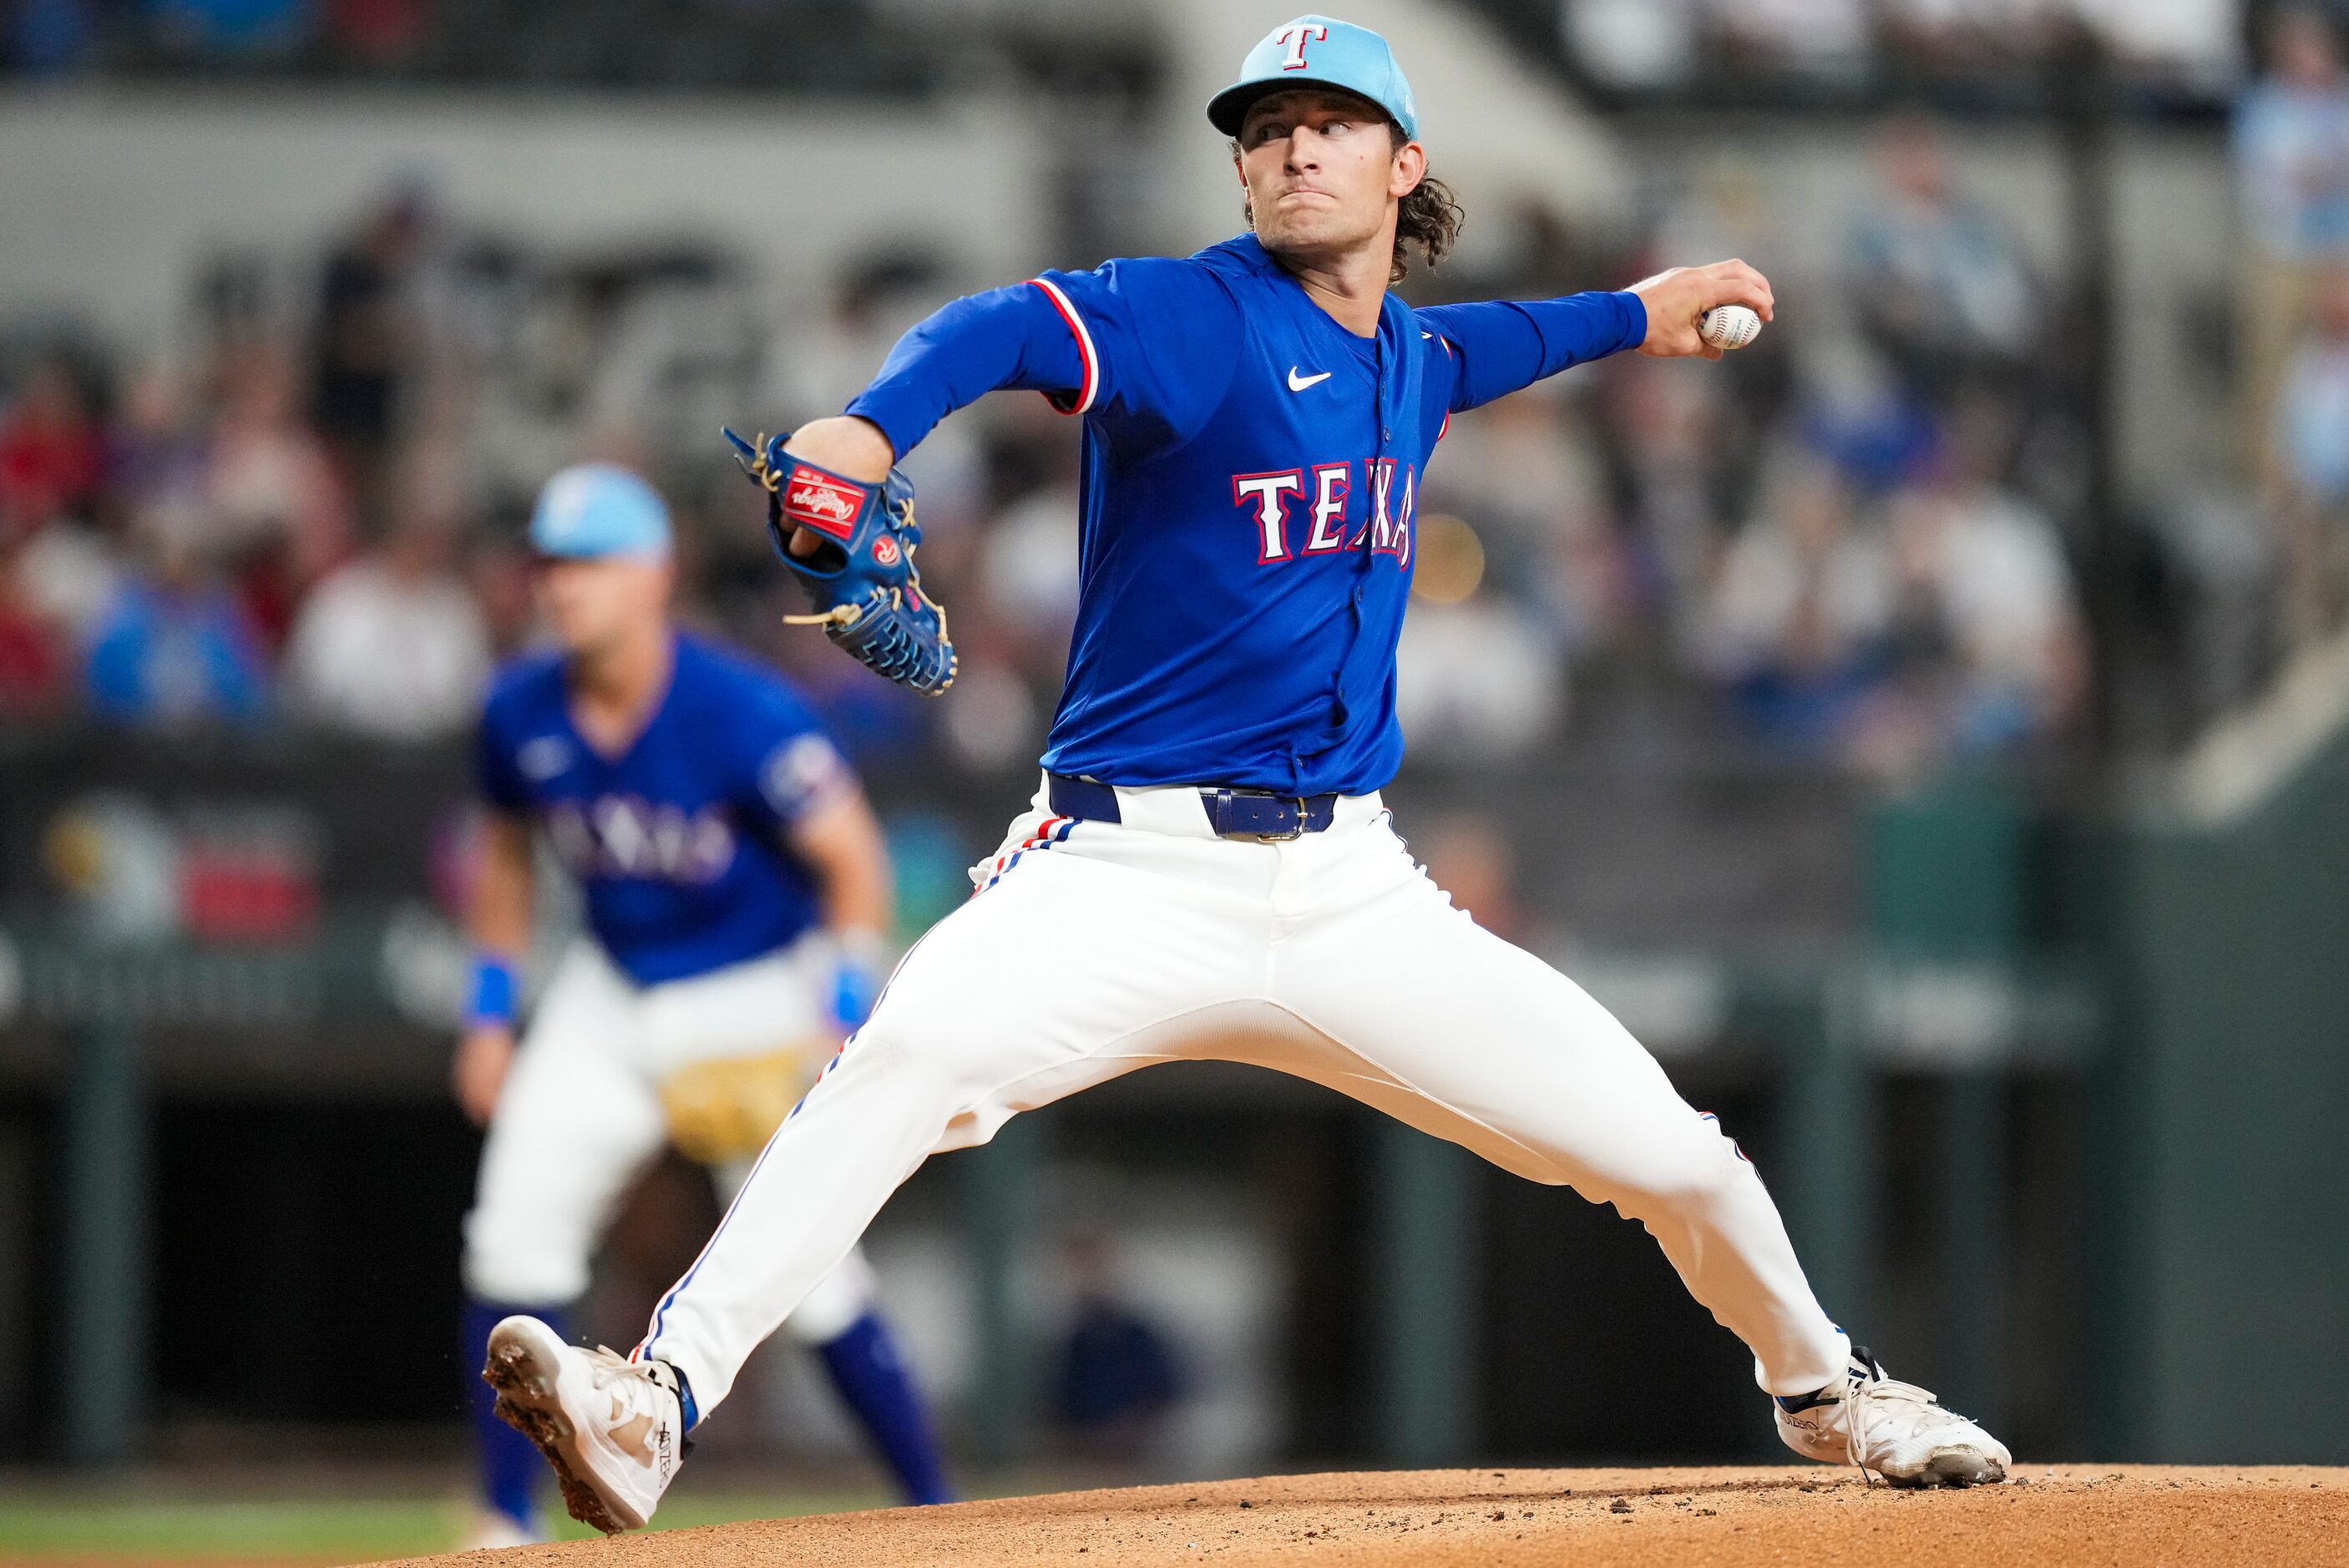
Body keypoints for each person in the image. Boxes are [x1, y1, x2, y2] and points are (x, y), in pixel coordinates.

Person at [482, 18, 2010, 1534]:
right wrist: (874, 427)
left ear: (1403, 166)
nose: (1289, 144)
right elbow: (1004, 326)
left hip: (1350, 888)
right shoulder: (1190, 319)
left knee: (1674, 1153)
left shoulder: (1407, 353)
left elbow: (1503, 340)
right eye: (1263, 124)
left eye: (1329, 121)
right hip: (1120, 868)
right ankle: (657, 1395)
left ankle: (1826, 1389)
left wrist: (1640, 310)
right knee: (901, 1062)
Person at [456, 463, 950, 1546]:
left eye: (589, 563)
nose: (564, 585)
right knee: (511, 1240)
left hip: (751, 994)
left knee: (811, 1274)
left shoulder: (739, 709)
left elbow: (853, 861)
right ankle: (503, 1520)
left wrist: (839, 1014)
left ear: (651, 575)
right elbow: (501, 864)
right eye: (551, 563)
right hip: (610, 987)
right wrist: (489, 1012)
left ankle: (938, 1511)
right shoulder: (517, 709)